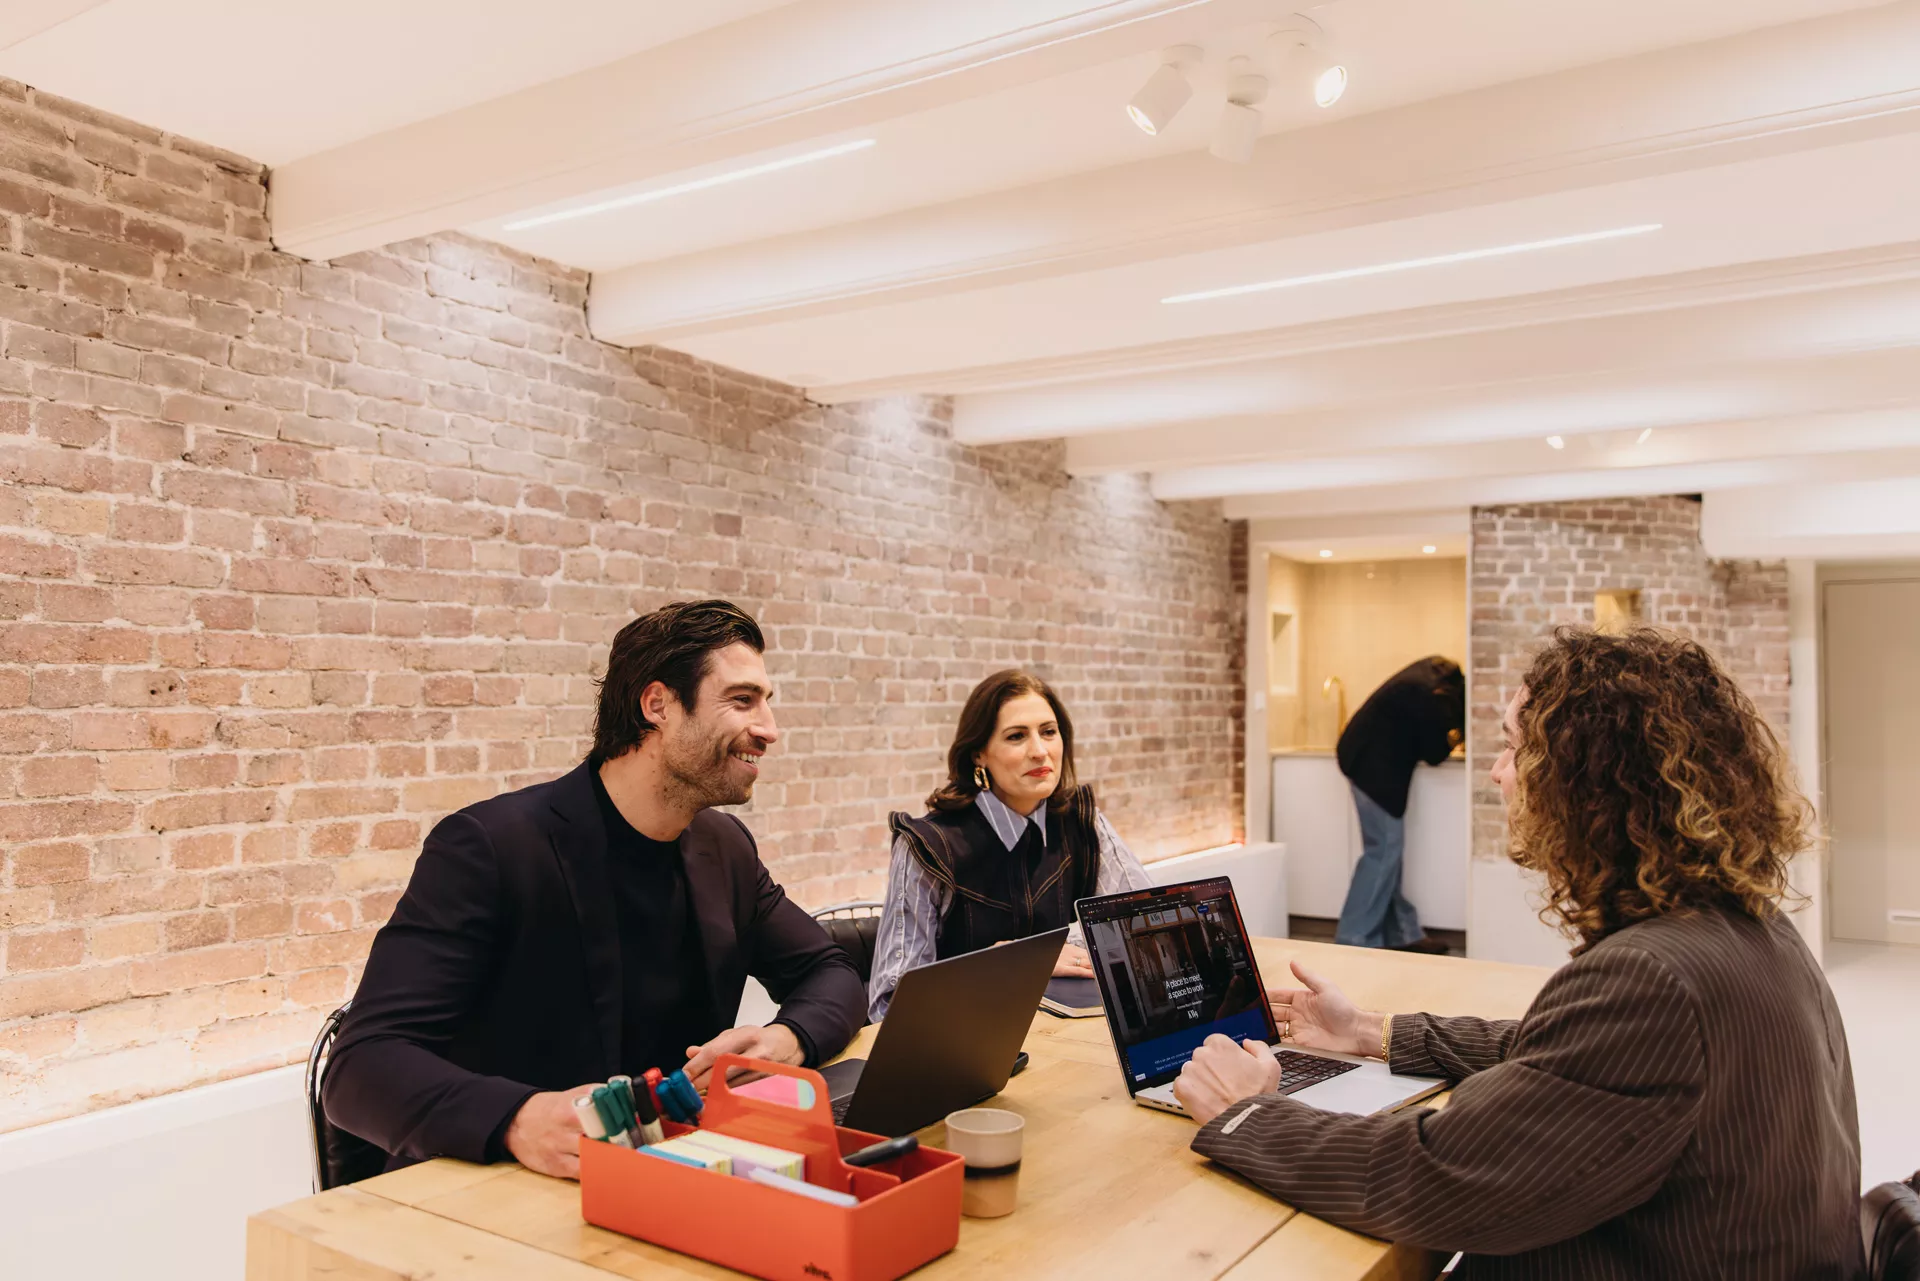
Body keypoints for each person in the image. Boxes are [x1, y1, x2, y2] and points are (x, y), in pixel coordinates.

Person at [1173, 628, 1862, 1278]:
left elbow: (1435, 1179)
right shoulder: (1741, 926)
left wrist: (1248, 1111)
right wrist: (1369, 1030)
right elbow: (1565, 1061)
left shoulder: (1653, 980)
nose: (1497, 772)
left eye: (1513, 747)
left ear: (1591, 779)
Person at [323, 600, 866, 1179]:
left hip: (669, 1172)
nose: (769, 730)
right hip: (506, 1193)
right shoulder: (489, 847)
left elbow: (831, 972)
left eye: (766, 703)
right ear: (657, 705)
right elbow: (360, 1067)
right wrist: (518, 1118)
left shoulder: (723, 846)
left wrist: (786, 1039)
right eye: (742, 700)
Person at [867, 670, 1150, 1021]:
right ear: (979, 755)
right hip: (966, 1048)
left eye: (1049, 732)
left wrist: (1057, 952)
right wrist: (1008, 964)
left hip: (1068, 1040)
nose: (1040, 751)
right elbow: (890, 1004)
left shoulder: (1083, 822)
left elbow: (1148, 932)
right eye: (1017, 736)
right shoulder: (926, 847)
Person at [1333, 655, 1464, 952]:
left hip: (1363, 763)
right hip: (1373, 772)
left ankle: (1403, 934)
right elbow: (1434, 753)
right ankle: (1353, 938)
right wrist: (1456, 734)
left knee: (1388, 856)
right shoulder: (1426, 695)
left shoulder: (1419, 681)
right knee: (1382, 854)